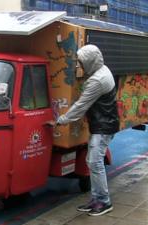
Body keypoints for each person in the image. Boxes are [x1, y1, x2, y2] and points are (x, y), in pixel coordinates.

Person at [56, 44, 119, 216]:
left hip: (103, 126)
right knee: (93, 161)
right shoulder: (103, 70)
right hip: (103, 124)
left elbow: (81, 106)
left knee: (94, 162)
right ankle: (96, 199)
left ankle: (104, 202)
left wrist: (61, 120)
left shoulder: (97, 80)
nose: (79, 66)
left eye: (82, 62)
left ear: (90, 62)